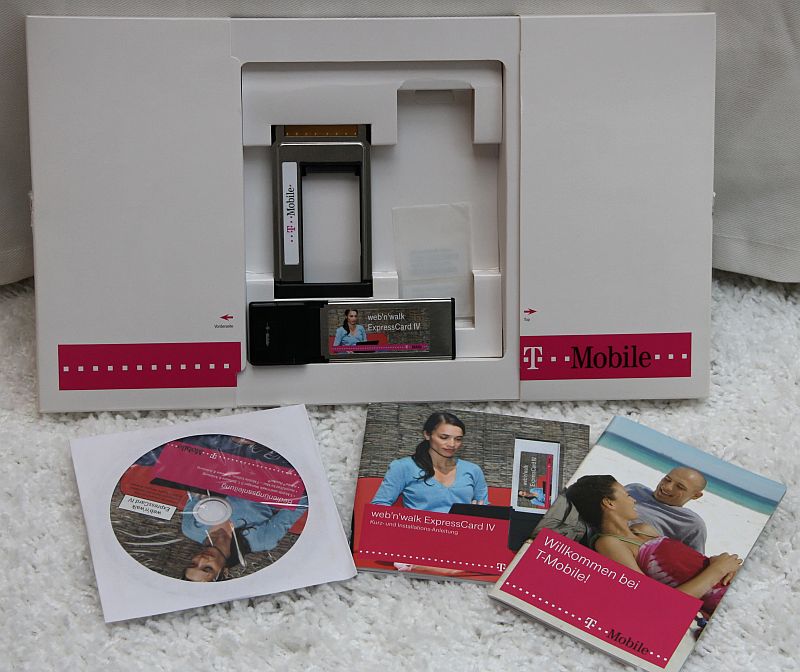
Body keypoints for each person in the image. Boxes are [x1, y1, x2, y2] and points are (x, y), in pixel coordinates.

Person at [566, 475, 741, 616]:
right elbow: (654, 602)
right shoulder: (608, 543)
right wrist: (717, 570)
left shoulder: (644, 529)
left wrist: (718, 561)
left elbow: (686, 565)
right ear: (609, 503)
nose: (634, 500)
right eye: (627, 495)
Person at [371, 411, 489, 513]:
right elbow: (379, 506)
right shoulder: (403, 467)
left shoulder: (473, 470)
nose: (452, 444)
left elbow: (486, 510)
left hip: (462, 531)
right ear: (427, 435)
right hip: (418, 531)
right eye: (444, 437)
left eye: (458, 439)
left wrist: (480, 513)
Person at [182, 494, 308, 582]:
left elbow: (192, 487)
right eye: (208, 568)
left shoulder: (190, 528)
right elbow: (301, 501)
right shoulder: (263, 540)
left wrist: (201, 494)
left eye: (193, 563)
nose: (202, 559)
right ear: (224, 572)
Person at [626, 467, 707, 553]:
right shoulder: (634, 489)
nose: (667, 487)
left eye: (680, 487)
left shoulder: (691, 523)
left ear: (696, 495)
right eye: (667, 480)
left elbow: (693, 559)